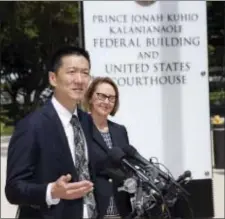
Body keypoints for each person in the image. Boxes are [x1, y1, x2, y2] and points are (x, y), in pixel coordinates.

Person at [5, 46, 100, 219]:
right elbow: (13, 189)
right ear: (53, 78)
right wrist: (52, 191)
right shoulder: (31, 126)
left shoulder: (87, 121)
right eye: (71, 72)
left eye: (85, 73)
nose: (79, 80)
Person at [84, 77, 132, 219]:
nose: (106, 102)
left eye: (111, 98)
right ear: (91, 97)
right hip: (93, 208)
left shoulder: (120, 130)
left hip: (121, 209)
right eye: (101, 96)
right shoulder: (80, 128)